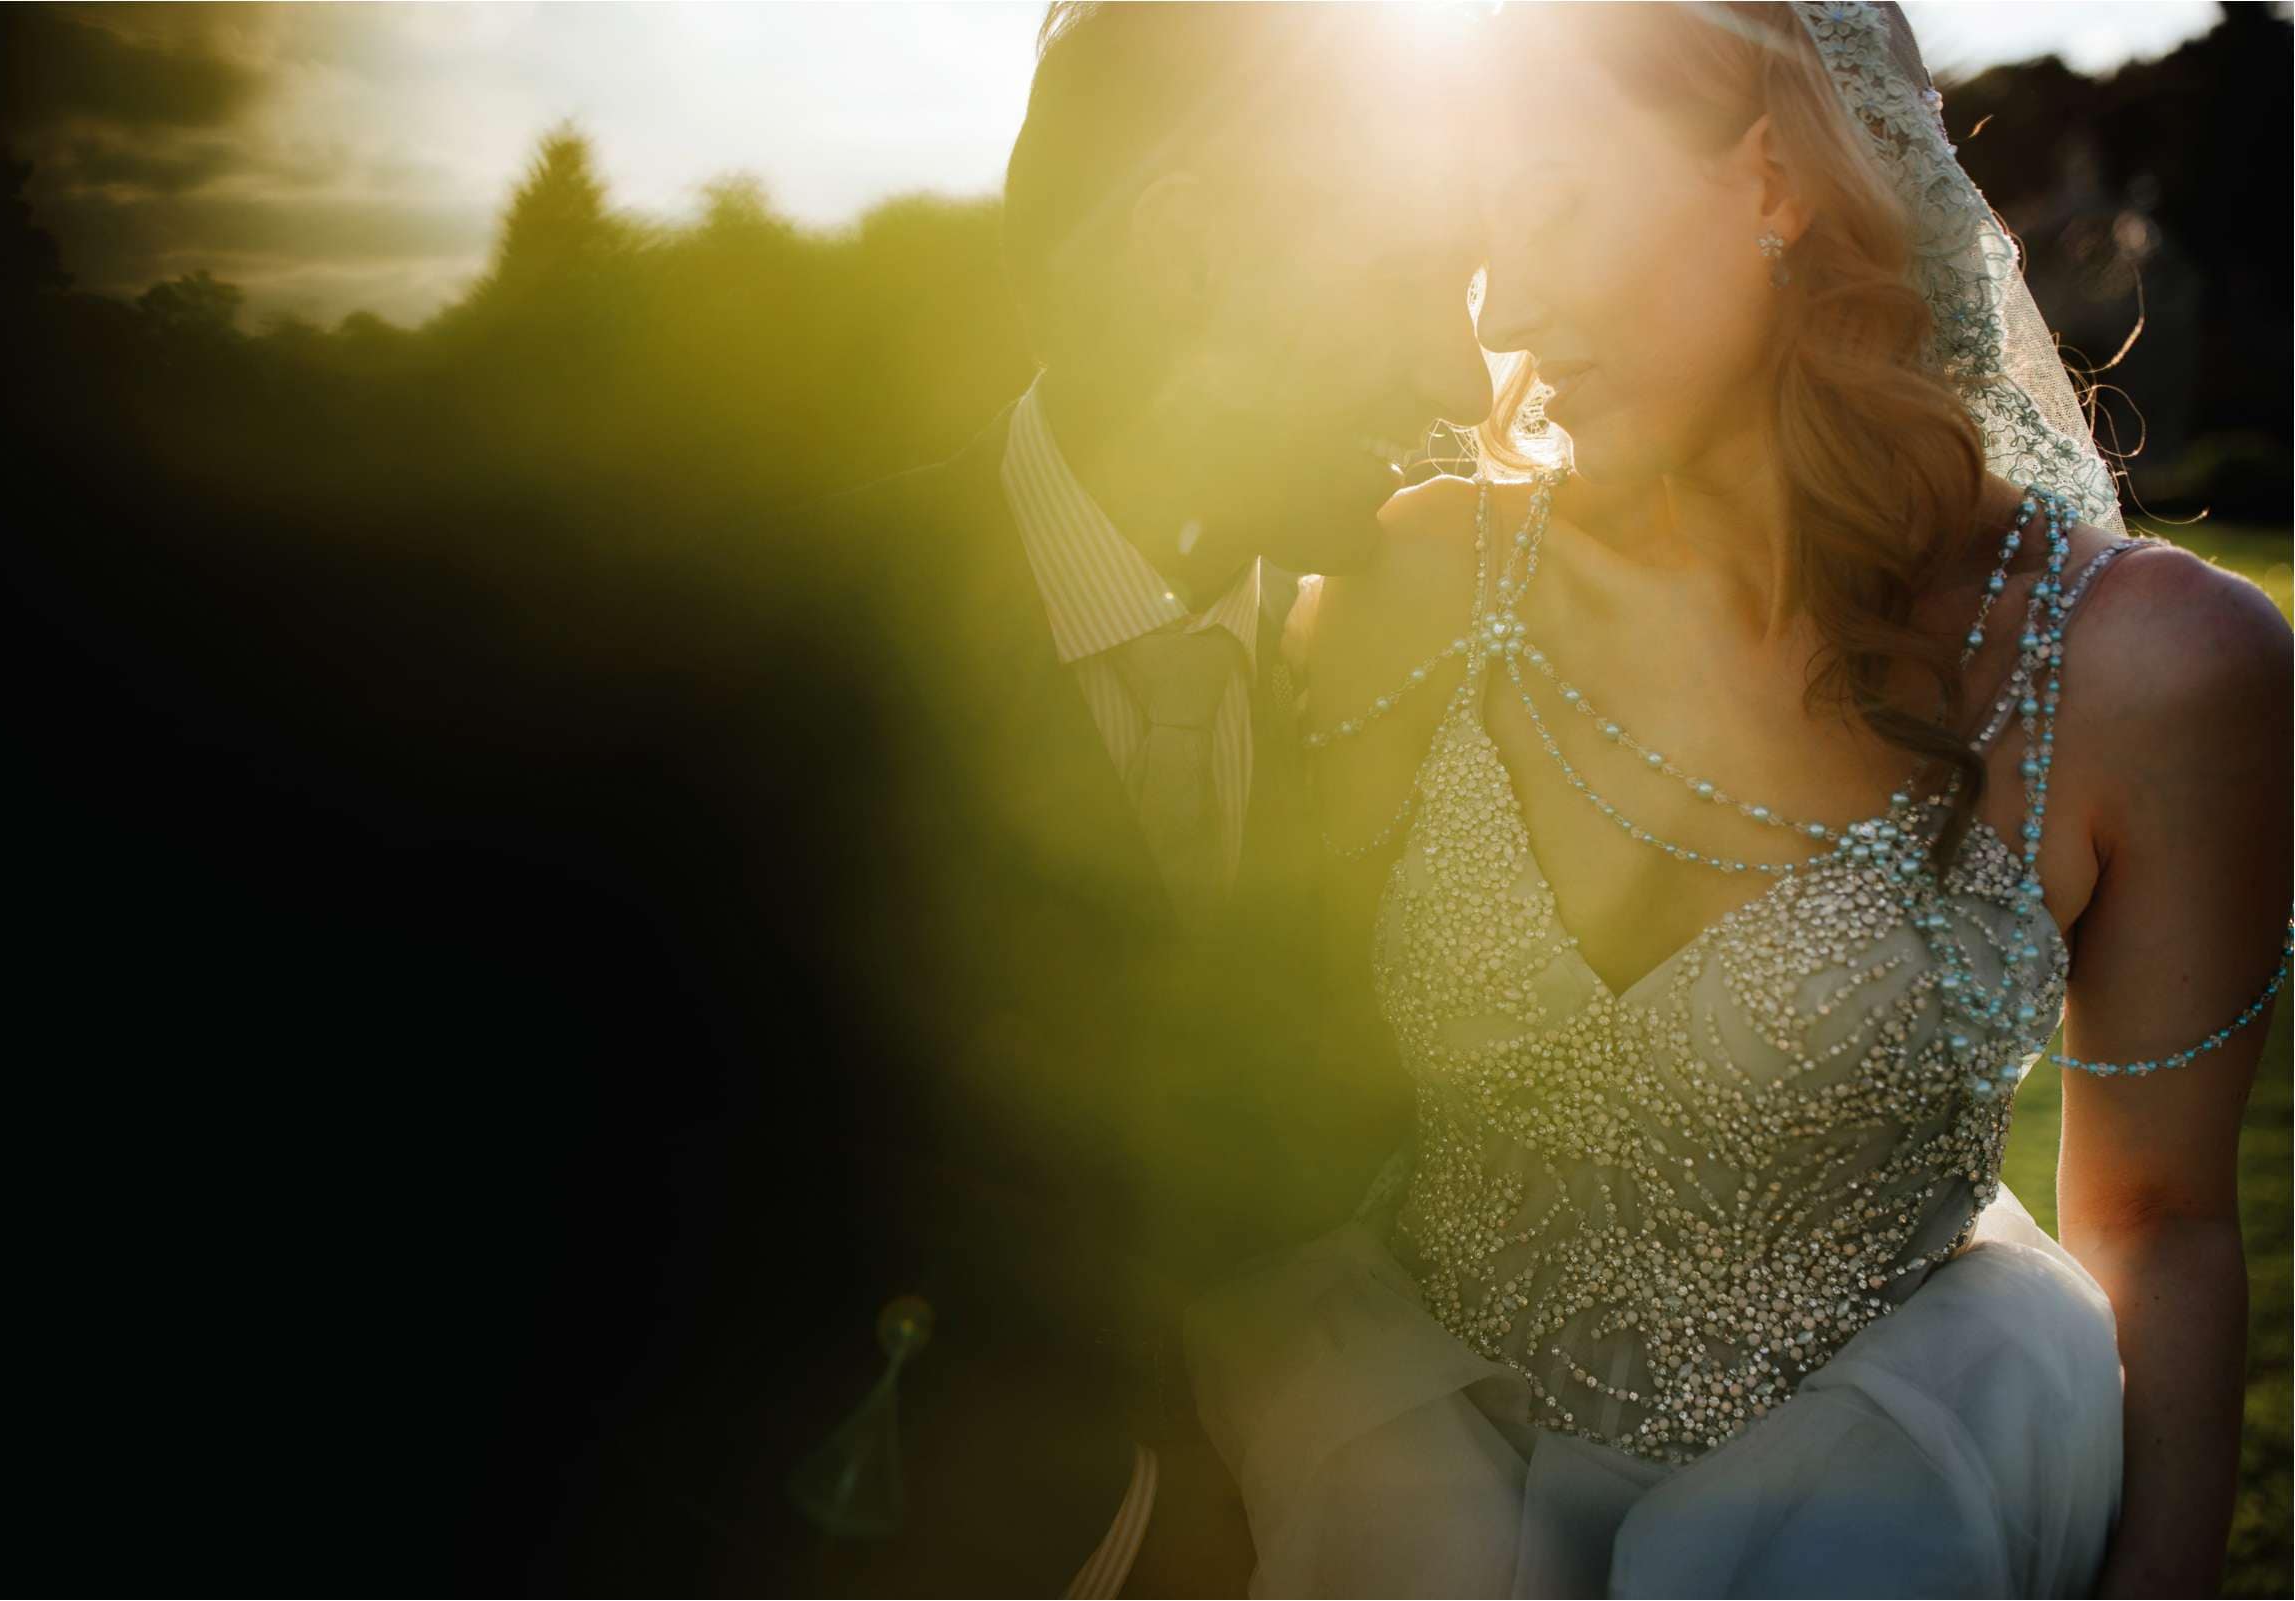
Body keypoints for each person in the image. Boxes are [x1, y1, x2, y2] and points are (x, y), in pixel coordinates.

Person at [1188, 3, 2293, 1595]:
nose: (1501, 298)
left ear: (1776, 178)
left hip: (1901, 1493)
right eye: (1480, 226)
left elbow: (2169, 1222)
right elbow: (1255, 1112)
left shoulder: (2152, 670)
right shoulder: (1409, 585)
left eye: (1554, 201)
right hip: (1402, 1478)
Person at [720, 5, 1500, 1594]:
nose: (1456, 370)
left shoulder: (1423, 658)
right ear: (1189, 251)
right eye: (1406, 282)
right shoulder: (780, 677)